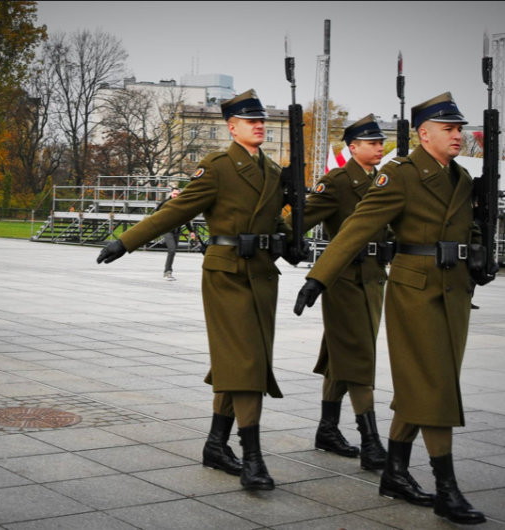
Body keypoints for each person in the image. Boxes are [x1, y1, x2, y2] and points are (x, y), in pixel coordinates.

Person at [294, 93, 498, 525]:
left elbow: (473, 226)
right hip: (416, 291)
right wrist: (319, 278)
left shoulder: (460, 178)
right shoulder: (400, 175)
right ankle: (447, 488)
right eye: (450, 129)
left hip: (455, 291)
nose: (459, 135)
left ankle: (396, 472)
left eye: (460, 129)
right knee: (437, 384)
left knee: (425, 384)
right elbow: (356, 227)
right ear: (425, 134)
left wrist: (479, 253)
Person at [98, 90, 303, 490]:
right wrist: (126, 241)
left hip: (262, 275)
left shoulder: (274, 172)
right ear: (232, 127)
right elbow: (176, 210)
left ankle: (215, 444)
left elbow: (275, 219)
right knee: (246, 364)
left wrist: (290, 239)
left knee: (240, 360)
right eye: (250, 121)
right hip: (227, 276)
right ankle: (253, 459)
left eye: (262, 121)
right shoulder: (217, 167)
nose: (259, 126)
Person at [285, 115, 389, 470]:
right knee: (359, 355)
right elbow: (300, 220)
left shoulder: (382, 180)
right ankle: (371, 441)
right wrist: (283, 241)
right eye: (372, 143)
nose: (380, 148)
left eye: (381, 143)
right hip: (344, 281)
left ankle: (327, 429)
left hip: (375, 279)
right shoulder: (338, 182)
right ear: (353, 147)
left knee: (342, 353)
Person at [157, 186, 196, 280]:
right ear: (170, 193)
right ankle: (167, 272)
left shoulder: (181, 204)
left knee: (173, 252)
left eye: (178, 194)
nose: (176, 195)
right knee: (172, 249)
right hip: (167, 230)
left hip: (177, 231)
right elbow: (156, 213)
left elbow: (185, 218)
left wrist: (191, 231)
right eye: (174, 194)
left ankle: (168, 271)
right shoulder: (166, 203)